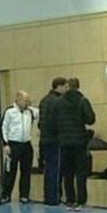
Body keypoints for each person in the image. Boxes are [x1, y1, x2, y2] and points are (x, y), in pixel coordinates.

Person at [54, 78, 96, 211]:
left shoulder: (59, 102)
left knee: (68, 173)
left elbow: (55, 120)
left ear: (67, 86)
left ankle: (70, 200)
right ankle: (81, 201)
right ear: (78, 86)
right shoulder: (83, 101)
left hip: (64, 142)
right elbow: (91, 119)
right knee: (80, 173)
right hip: (79, 141)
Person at [0, 90, 38, 205]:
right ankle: (5, 195)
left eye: (29, 100)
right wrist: (5, 144)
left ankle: (24, 196)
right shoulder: (10, 111)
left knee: (26, 171)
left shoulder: (31, 111)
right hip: (13, 145)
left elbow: (42, 113)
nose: (28, 102)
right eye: (25, 100)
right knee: (10, 172)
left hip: (26, 145)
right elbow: (3, 128)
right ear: (18, 99)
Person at [38, 77, 69, 205]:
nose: (67, 90)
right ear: (59, 87)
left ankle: (47, 196)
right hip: (55, 139)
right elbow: (59, 122)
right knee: (56, 169)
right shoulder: (59, 101)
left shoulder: (43, 100)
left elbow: (41, 122)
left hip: (43, 139)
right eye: (65, 87)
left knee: (48, 169)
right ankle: (54, 197)